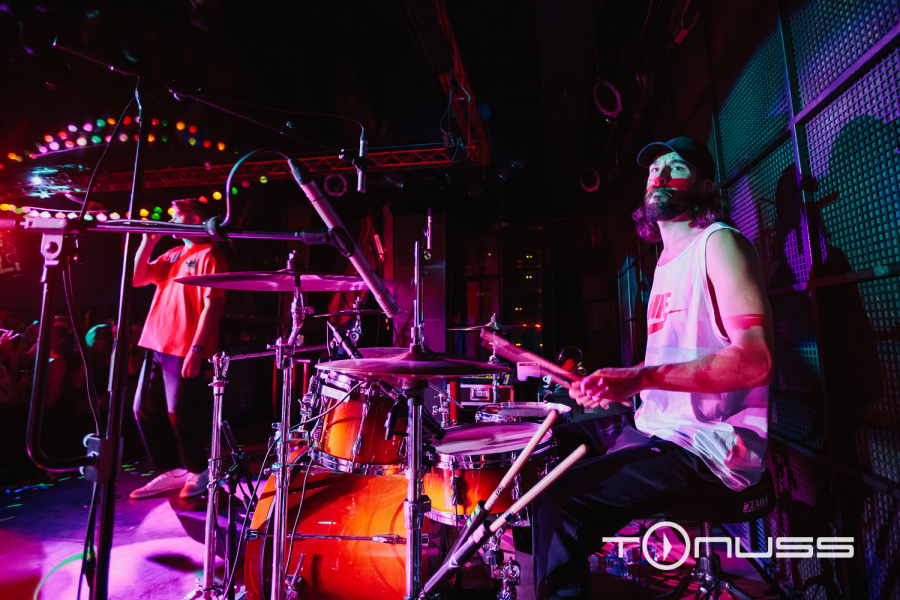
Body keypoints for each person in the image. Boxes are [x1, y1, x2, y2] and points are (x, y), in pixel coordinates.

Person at [533, 137, 774, 599]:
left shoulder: (718, 243)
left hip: (706, 448)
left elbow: (755, 359)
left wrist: (641, 378)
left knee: (559, 501)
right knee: (543, 446)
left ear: (704, 185)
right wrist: (623, 383)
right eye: (653, 169)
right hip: (656, 425)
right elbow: (677, 360)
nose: (659, 176)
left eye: (675, 168)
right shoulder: (665, 261)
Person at [129, 199, 227, 499]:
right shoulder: (173, 253)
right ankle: (171, 471)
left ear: (195, 219)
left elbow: (213, 304)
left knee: (180, 412)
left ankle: (199, 470)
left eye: (176, 216)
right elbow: (137, 279)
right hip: (156, 341)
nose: (170, 221)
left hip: (184, 344)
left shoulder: (210, 254)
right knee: (143, 408)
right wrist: (147, 242)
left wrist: (197, 348)